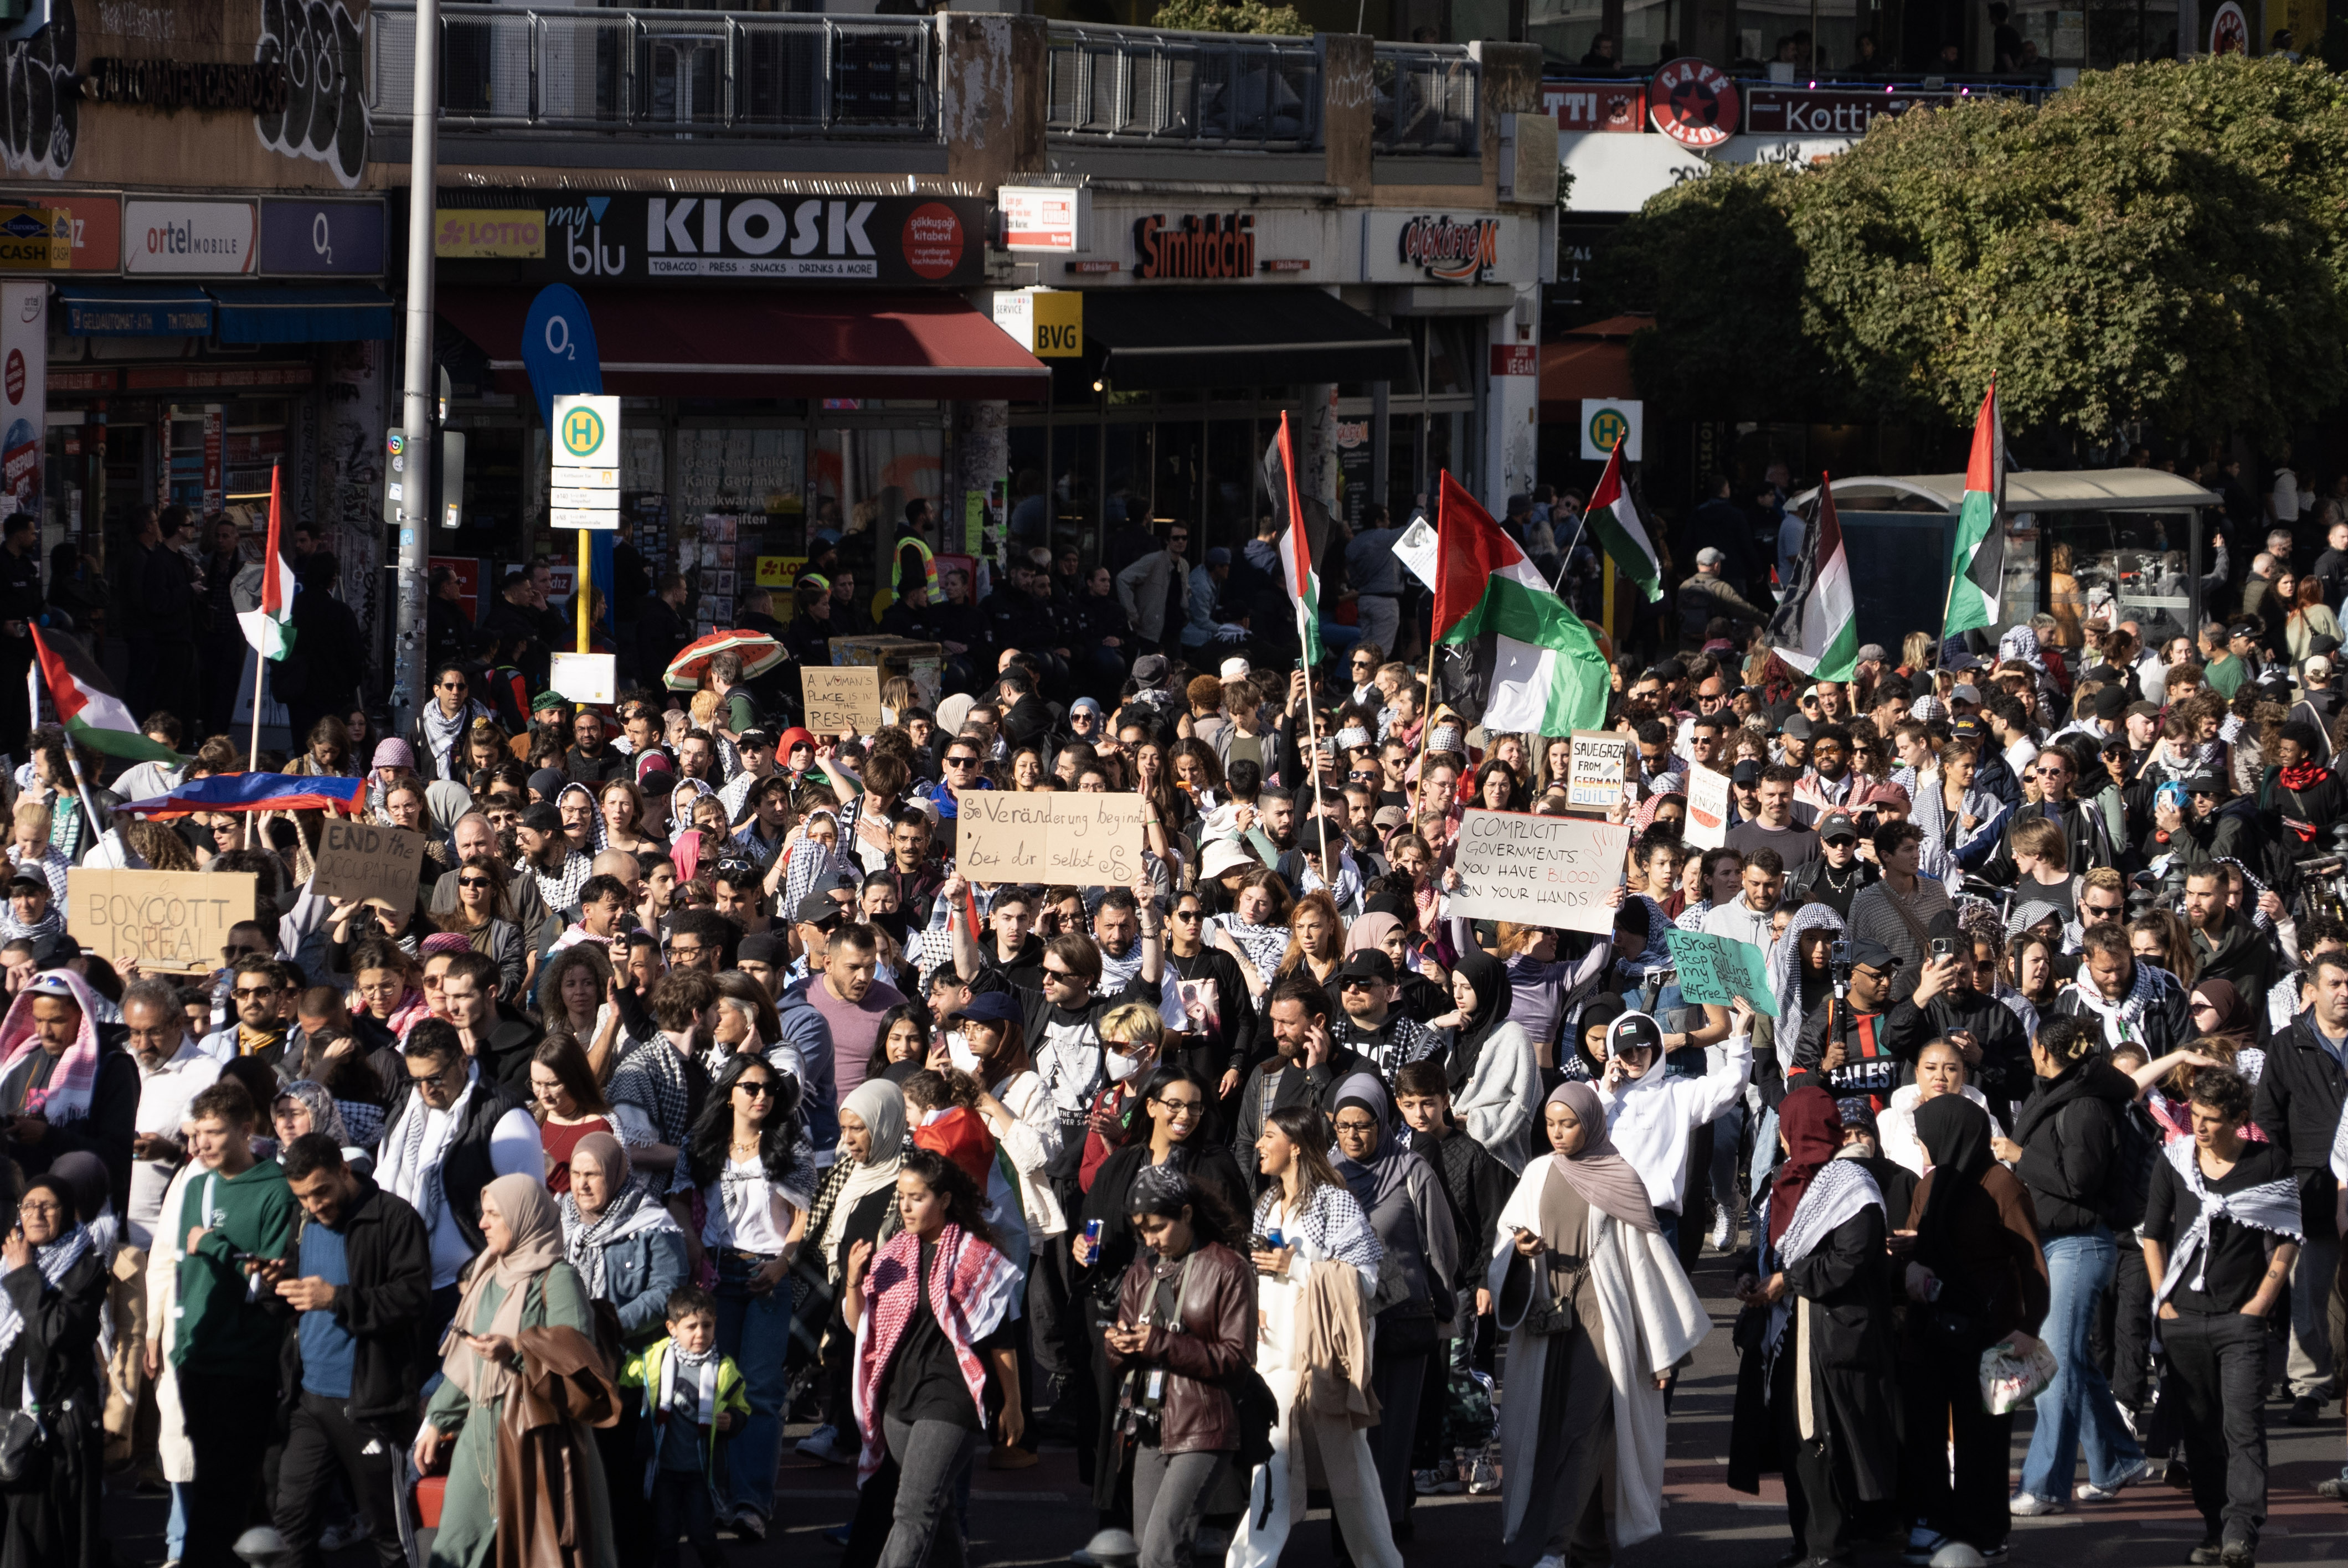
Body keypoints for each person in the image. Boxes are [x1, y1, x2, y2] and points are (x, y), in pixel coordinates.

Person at [1489, 1082, 1708, 1563]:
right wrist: (1519, 1252)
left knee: (1580, 1434)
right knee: (1541, 1436)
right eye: (1551, 1124)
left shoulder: (1620, 1177)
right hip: (1547, 1323)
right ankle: (1583, 1545)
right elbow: (1505, 1240)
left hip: (1605, 1324)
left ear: (1590, 1123)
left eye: (1568, 1124)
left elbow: (1646, 1265)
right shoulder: (1538, 1172)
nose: (1558, 1133)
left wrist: (1659, 1350)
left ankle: (1554, 1548)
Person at [412, 1174, 619, 1568]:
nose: (483, 1224)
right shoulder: (487, 1275)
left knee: (543, 1552)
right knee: (454, 1550)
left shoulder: (558, 1278)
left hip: (538, 1437)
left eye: (494, 1214)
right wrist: (438, 1419)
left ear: (524, 1217)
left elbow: (575, 1358)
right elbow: (467, 1363)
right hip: (480, 1439)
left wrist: (516, 1349)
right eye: (484, 1214)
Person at [1727, 1088, 1897, 1568]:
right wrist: (1750, 1274)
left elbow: (1852, 1257)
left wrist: (1788, 1281)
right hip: (1783, 1334)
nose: (1783, 1138)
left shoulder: (1851, 1184)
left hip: (1827, 1335)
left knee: (1820, 1439)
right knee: (1791, 1439)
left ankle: (1830, 1548)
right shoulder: (1783, 1181)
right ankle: (1806, 1543)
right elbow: (1767, 1246)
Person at [1225, 1103, 1398, 1568]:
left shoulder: (1333, 1202)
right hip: (1273, 1359)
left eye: (1269, 1136)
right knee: (1273, 1462)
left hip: (1322, 1357)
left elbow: (1365, 1280)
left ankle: (1381, 1562)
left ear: (1297, 1146)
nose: (1260, 1145)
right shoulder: (1266, 1204)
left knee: (1351, 1471)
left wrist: (1296, 1266)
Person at [2141, 1066, 2298, 1568]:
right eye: (2196, 1116)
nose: (2201, 1127)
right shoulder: (2176, 1160)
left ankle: (2240, 1532)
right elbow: (2153, 1235)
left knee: (2242, 1427)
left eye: (2211, 1119)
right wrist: (2163, 1301)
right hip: (2183, 1318)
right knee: (2201, 1431)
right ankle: (2215, 1527)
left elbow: (2288, 1237)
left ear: (2239, 1119)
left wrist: (2260, 1304)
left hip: (2240, 1322)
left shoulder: (2269, 1162)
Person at [842, 1147, 1025, 1568]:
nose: (905, 1207)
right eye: (902, 1197)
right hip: (899, 1400)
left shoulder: (974, 1256)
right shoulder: (892, 1254)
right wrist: (853, 1283)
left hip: (951, 1397)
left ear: (944, 1200)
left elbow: (1001, 1338)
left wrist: (1013, 1403)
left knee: (912, 1511)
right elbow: (861, 1327)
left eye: (917, 1198)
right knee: (936, 1513)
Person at [2000, 1014, 2149, 1514]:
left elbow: (2081, 1181)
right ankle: (2118, 1461)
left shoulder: (2085, 1104)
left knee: (2054, 1365)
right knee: (2072, 1363)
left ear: (2043, 1050)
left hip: (2079, 1245)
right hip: (2052, 1244)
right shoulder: (2057, 1094)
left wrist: (2020, 1155)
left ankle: (2045, 1485)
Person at [1896, 1095, 2048, 1565]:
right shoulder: (1931, 1184)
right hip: (1931, 1330)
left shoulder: (2002, 1185)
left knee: (1983, 1438)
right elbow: (1918, 1238)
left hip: (1989, 1335)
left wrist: (2029, 1326)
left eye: (1925, 1137)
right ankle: (1932, 1521)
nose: (1921, 1146)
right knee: (1925, 1431)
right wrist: (1909, 1260)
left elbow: (2032, 1260)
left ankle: (1984, 1530)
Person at [270, 1132, 434, 1568]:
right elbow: (297, 1295)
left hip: (371, 1403)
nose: (314, 1205)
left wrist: (337, 1299)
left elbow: (413, 1299)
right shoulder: (304, 1222)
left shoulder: (394, 1218)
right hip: (310, 1400)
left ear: (345, 1170)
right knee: (290, 1526)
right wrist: (275, 1281)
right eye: (303, 1197)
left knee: (388, 1533)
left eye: (321, 1191)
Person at [684, 1052, 816, 1539]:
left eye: (770, 1089)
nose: (762, 1096)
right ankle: (715, 1494)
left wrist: (782, 1265)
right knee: (715, 1387)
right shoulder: (702, 1142)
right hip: (716, 1272)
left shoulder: (790, 1143)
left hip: (767, 1273)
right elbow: (679, 1200)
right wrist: (694, 1249)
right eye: (751, 1087)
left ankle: (752, 1502)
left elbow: (803, 1216)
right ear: (729, 1094)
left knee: (760, 1389)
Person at [1099, 1163, 1257, 1568]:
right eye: (1142, 1231)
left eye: (1158, 1228)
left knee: (1161, 1552)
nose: (1150, 1240)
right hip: (1148, 1421)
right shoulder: (1142, 1272)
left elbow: (1237, 1359)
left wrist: (1159, 1343)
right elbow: (1121, 1364)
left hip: (1204, 1425)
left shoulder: (1228, 1268)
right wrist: (1120, 1346)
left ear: (1187, 1214)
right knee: (1147, 1553)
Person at [171, 1077, 298, 1568]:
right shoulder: (197, 1185)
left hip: (247, 1364)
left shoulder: (277, 1190)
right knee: (215, 1483)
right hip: (196, 1359)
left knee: (228, 1489)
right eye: (196, 1133)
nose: (201, 1144)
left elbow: (267, 1280)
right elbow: (185, 1274)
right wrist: (179, 1344)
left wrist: (213, 1244)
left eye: (214, 1133)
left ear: (246, 1130)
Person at [1328, 1075, 1459, 1534]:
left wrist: (1444, 1305)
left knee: (1395, 1426)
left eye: (1363, 1125)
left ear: (1382, 1122)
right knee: (1351, 1431)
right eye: (1343, 1126)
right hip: (1344, 1322)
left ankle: (1387, 1525)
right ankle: (1353, 1528)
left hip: (1402, 1317)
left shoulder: (1410, 1170)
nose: (1353, 1136)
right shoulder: (1327, 1174)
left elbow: (1441, 1245)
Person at [562, 1133, 689, 1563]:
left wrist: (608, 1325)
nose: (582, 1184)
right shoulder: (561, 1218)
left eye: (593, 1174)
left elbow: (668, 1291)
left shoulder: (651, 1222)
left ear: (615, 1174)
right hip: (573, 1369)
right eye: (576, 1173)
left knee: (624, 1483)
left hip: (627, 1373)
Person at [0, 1172, 107, 1568]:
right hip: (5, 1424)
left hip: (50, 1432)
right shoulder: (6, 1265)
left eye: (48, 1206)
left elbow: (55, 1332)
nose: (37, 1214)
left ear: (67, 1212)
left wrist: (24, 1275)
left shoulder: (86, 1268)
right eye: (29, 1205)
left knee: (35, 1546)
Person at [621, 1285, 750, 1568]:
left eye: (707, 1325)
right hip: (665, 1470)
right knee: (665, 1536)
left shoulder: (725, 1369)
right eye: (691, 1327)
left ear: (716, 1324)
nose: (700, 1333)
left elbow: (742, 1407)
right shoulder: (655, 1360)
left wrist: (734, 1419)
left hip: (701, 1473)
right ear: (672, 1328)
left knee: (701, 1533)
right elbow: (625, 1372)